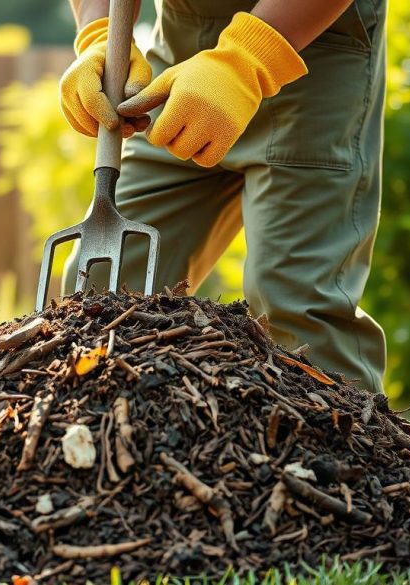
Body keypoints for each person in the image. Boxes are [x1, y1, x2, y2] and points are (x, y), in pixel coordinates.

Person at [59, 0, 387, 393]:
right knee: (102, 287)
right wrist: (98, 33)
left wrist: (245, 61)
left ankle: (341, 452)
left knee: (298, 310)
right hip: (179, 71)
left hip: (311, 46)